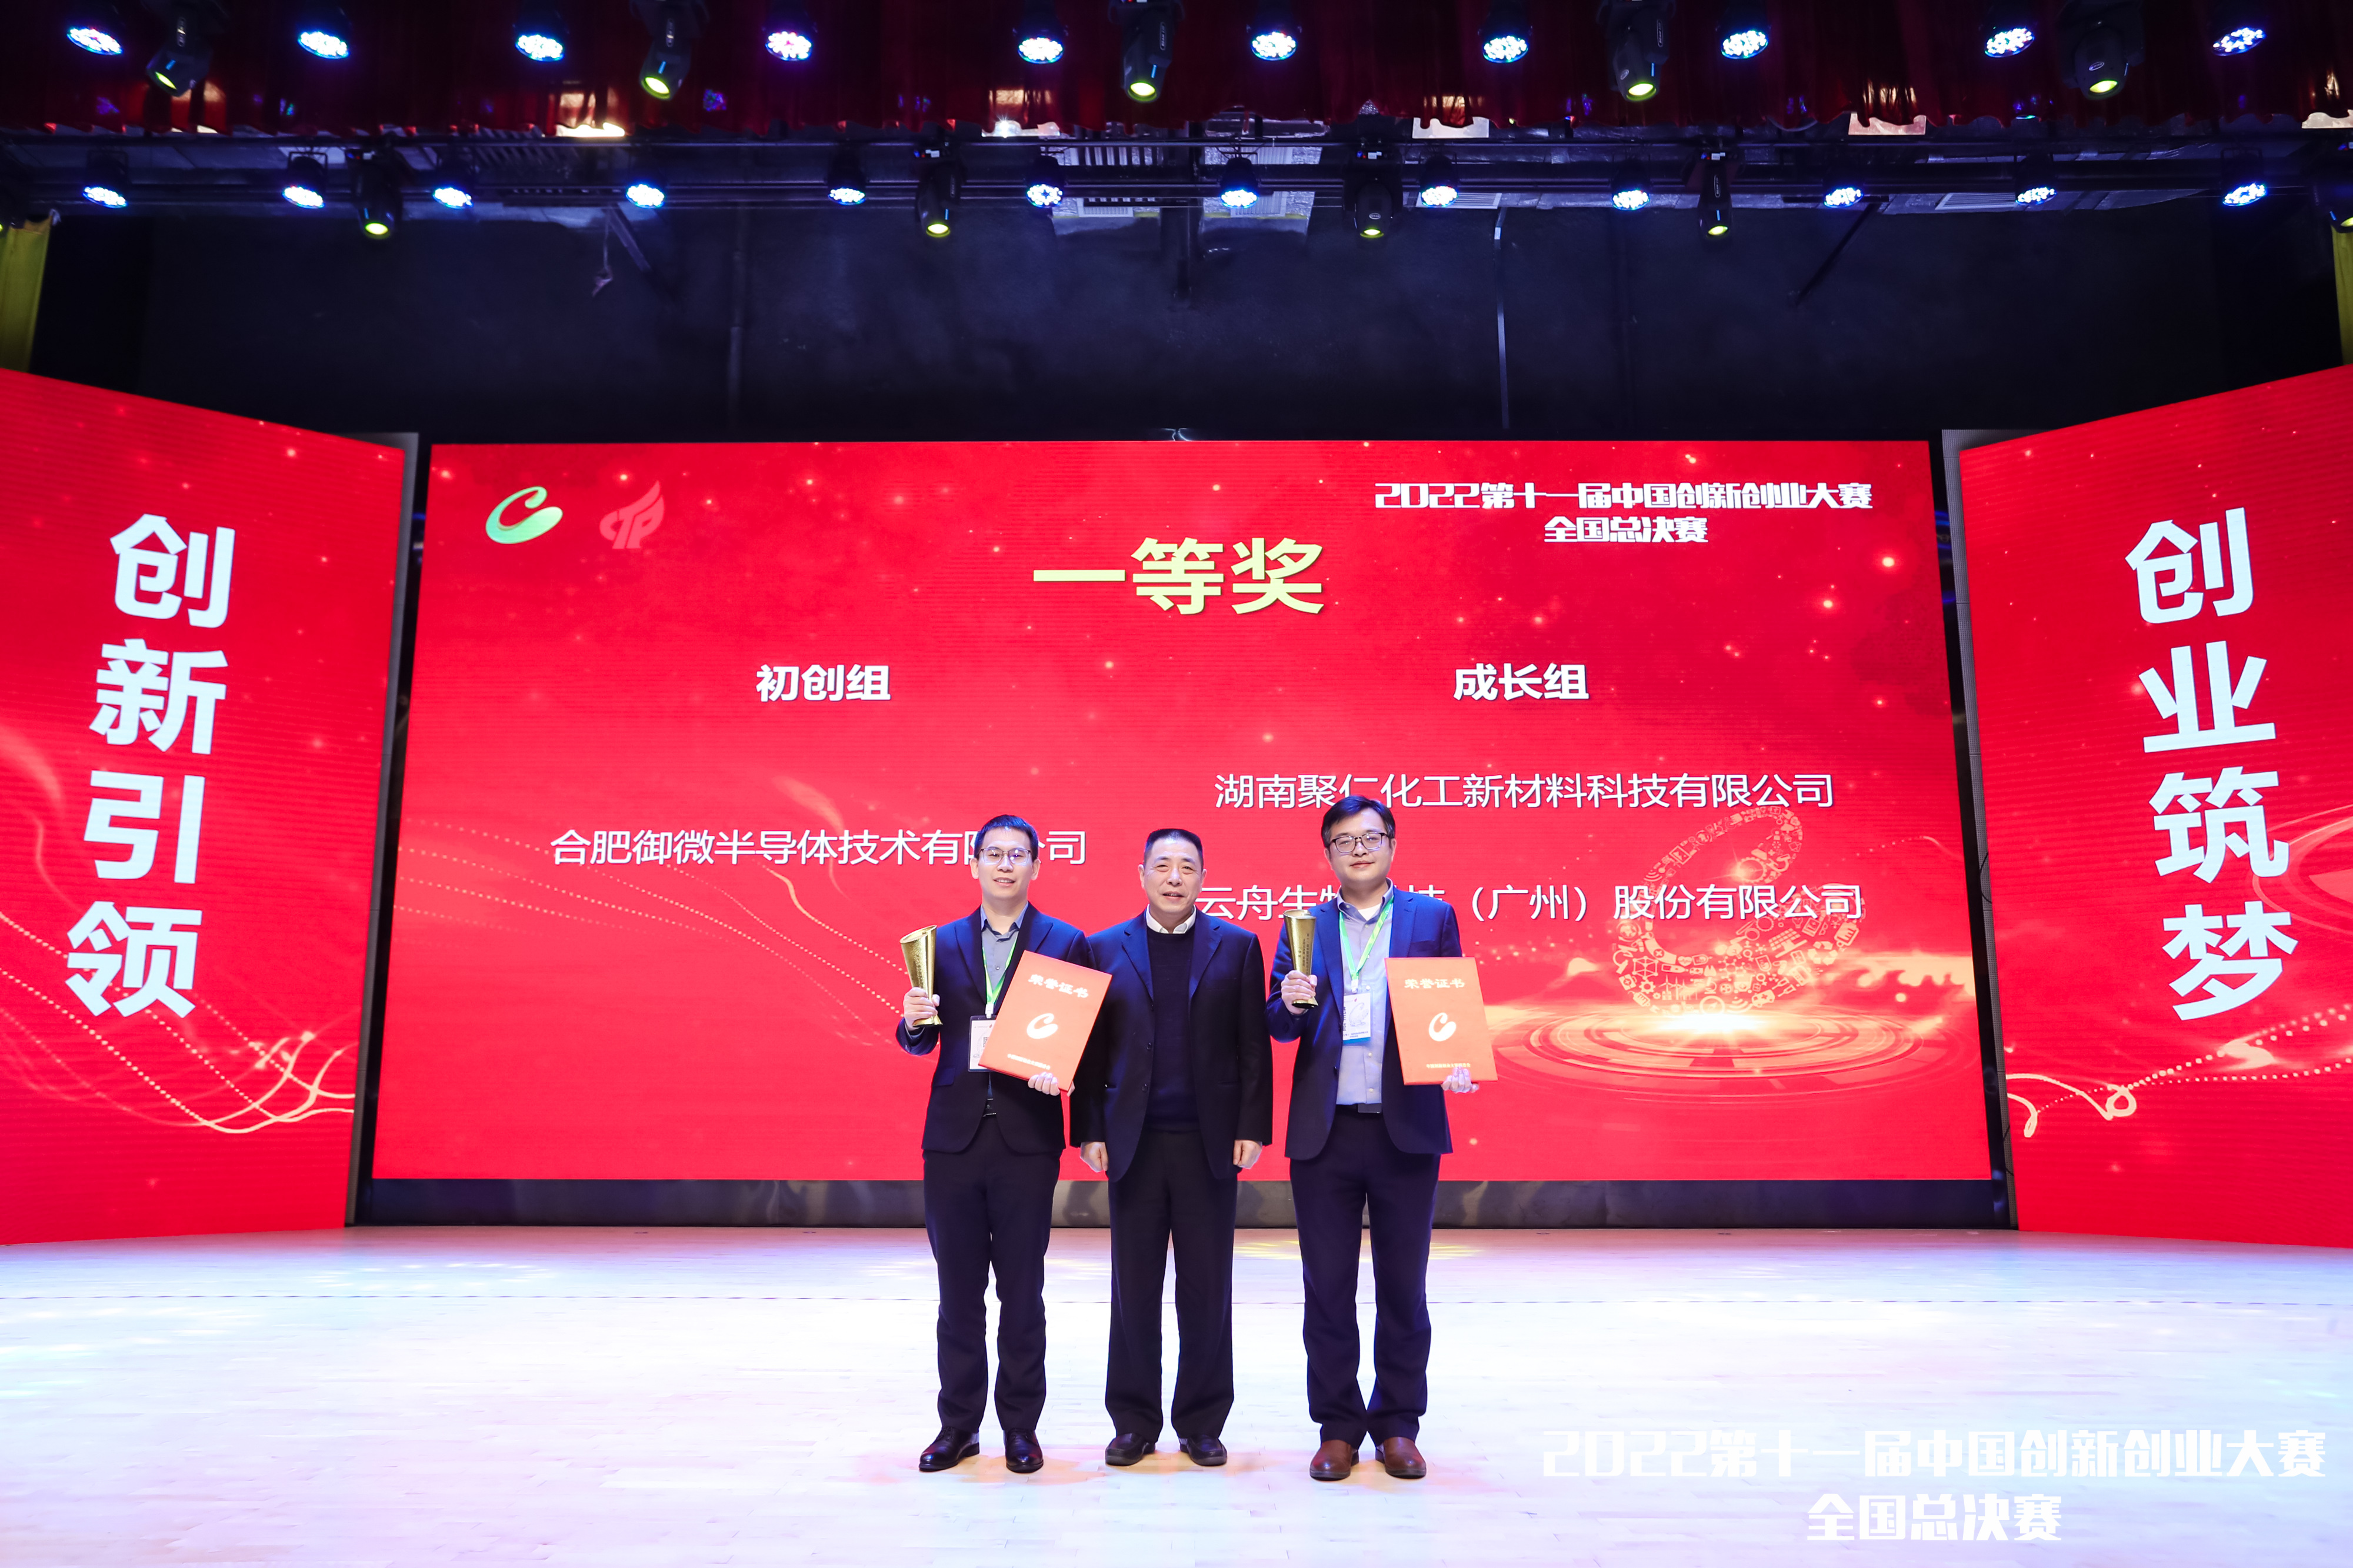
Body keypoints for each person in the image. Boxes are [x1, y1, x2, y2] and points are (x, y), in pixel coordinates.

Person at [1268, 795, 1479, 1482]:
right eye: (1344, 840)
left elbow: (1447, 1006)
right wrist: (1288, 1001)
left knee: (1403, 1288)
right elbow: (1279, 1023)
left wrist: (1455, 1058)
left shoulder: (1429, 917)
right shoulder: (1304, 925)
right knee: (1326, 1289)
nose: (1358, 849)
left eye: (1370, 837)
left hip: (1404, 1129)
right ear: (1327, 852)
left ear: (1391, 843)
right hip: (1325, 1133)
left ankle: (1397, 1425)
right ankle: (1336, 1426)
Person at [1071, 829, 1273, 1470]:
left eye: (1187, 866)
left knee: (1207, 1287)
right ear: (1142, 875)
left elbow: (1252, 1045)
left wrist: (1253, 1125)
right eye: (1163, 865)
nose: (1175, 877)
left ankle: (1202, 1422)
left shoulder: (1237, 946)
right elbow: (1089, 1048)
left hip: (1209, 1143)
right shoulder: (1103, 947)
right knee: (1133, 1288)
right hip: (1132, 1143)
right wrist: (1090, 1128)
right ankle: (1133, 1422)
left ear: (1204, 877)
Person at [898, 813, 1094, 1476]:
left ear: (1037, 865)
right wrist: (912, 1022)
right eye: (994, 853)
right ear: (974, 863)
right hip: (953, 1140)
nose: (1006, 865)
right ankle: (957, 1426)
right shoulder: (939, 943)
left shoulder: (1065, 942)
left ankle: (1020, 1427)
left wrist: (1062, 1071)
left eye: (1018, 854)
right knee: (957, 1296)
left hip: (1026, 1138)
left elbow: (1082, 1037)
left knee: (1022, 1293)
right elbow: (922, 1039)